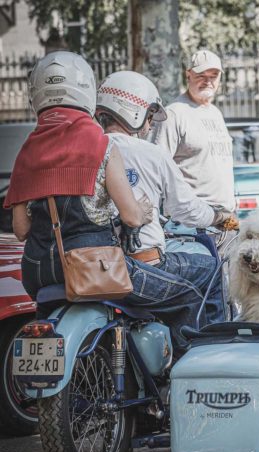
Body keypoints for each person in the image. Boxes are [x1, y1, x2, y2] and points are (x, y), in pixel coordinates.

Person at [5, 51, 218, 350]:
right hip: (95, 269)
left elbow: (22, 229)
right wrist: (143, 212)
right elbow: (131, 217)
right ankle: (191, 377)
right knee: (189, 294)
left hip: (38, 274)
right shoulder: (99, 145)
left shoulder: (26, 152)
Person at [96, 70, 235, 325]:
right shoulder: (149, 153)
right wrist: (219, 216)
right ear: (134, 111)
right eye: (149, 116)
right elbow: (185, 208)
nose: (149, 126)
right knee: (211, 270)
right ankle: (208, 351)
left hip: (96, 266)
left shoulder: (88, 149)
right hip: (143, 265)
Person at [149, 49, 235, 214]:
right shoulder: (174, 114)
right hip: (192, 220)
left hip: (224, 216)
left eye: (213, 76)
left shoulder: (215, 112)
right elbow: (155, 167)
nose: (208, 81)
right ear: (188, 75)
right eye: (201, 75)